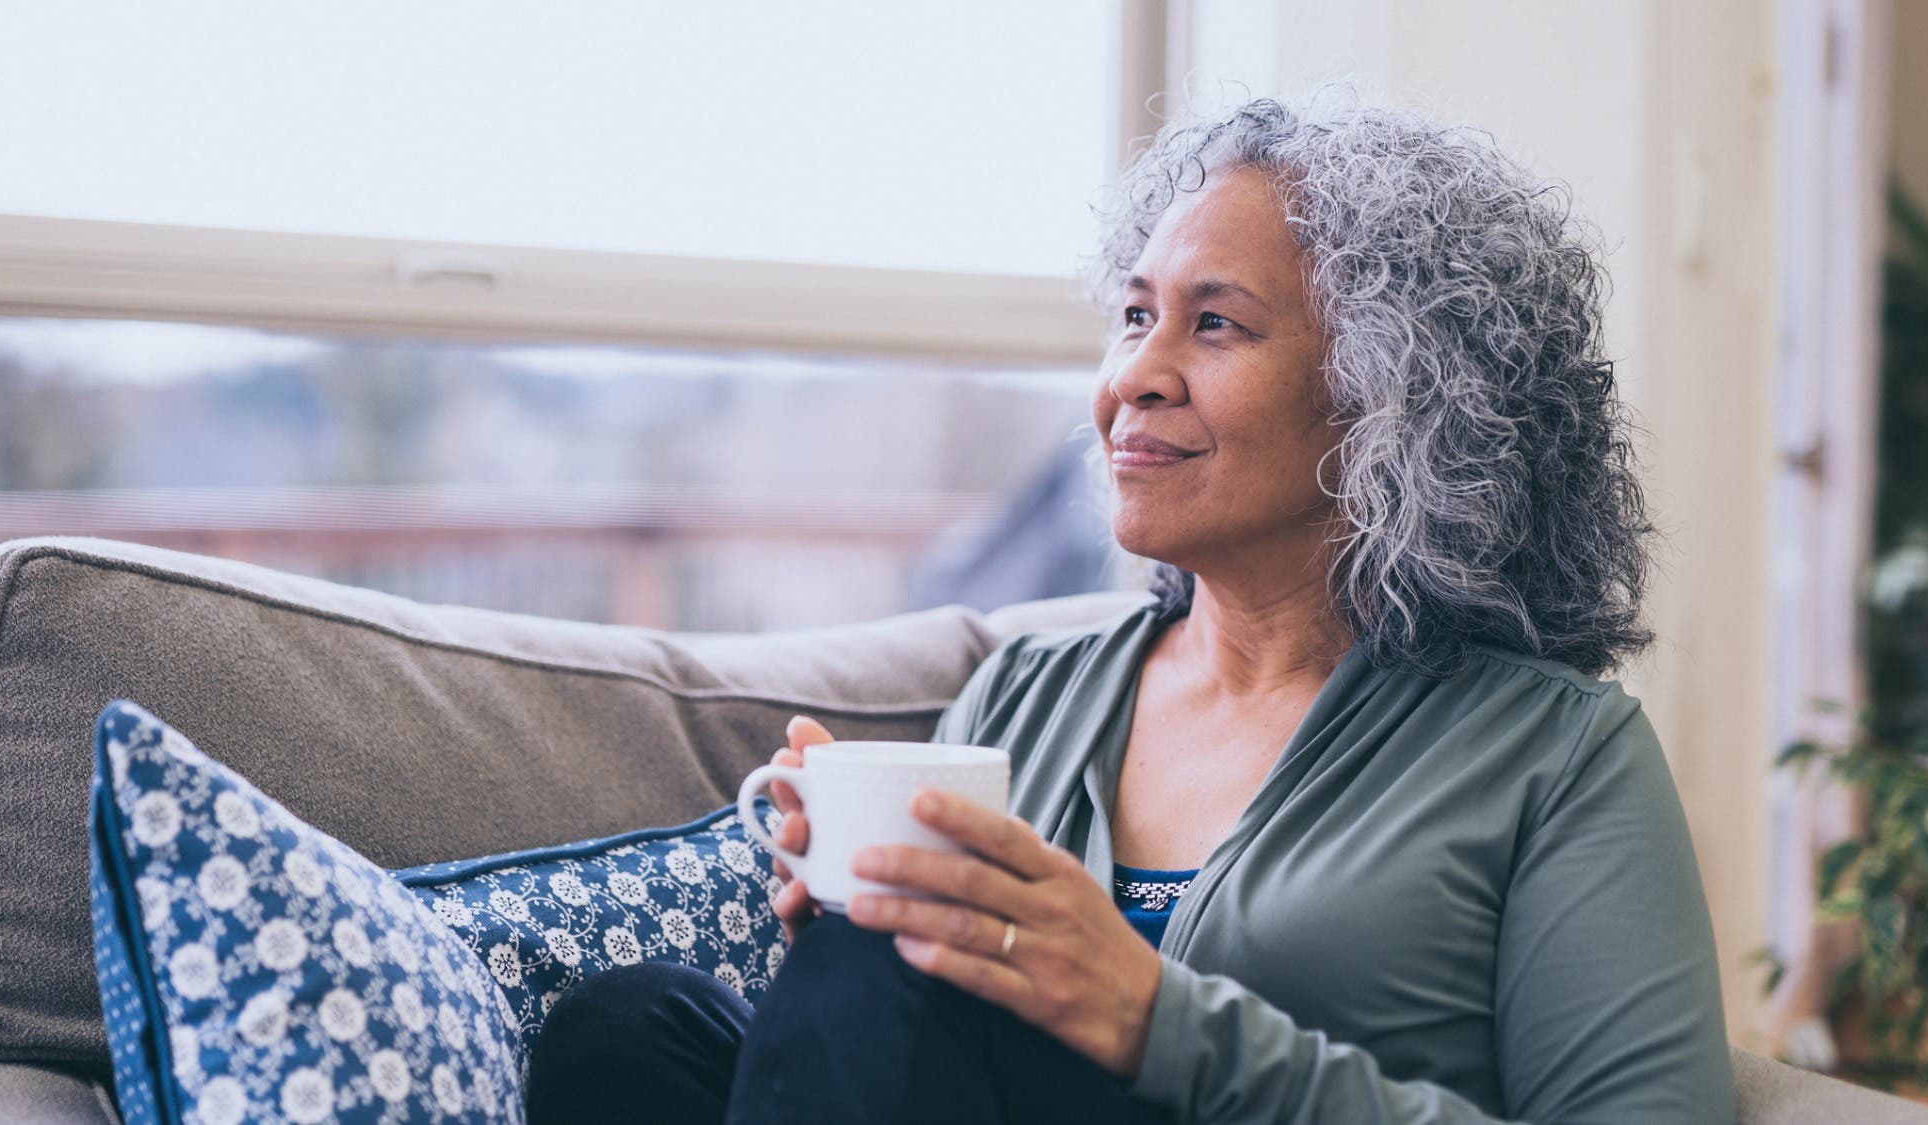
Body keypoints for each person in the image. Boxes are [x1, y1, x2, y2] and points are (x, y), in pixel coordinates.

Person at [525, 88, 1738, 1124]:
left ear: (1395, 396)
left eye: (1213, 324)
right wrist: (844, 958)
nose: (1131, 381)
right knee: (633, 1031)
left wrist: (1159, 1021)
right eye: (1131, 317)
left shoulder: (1554, 759)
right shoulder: (1024, 694)